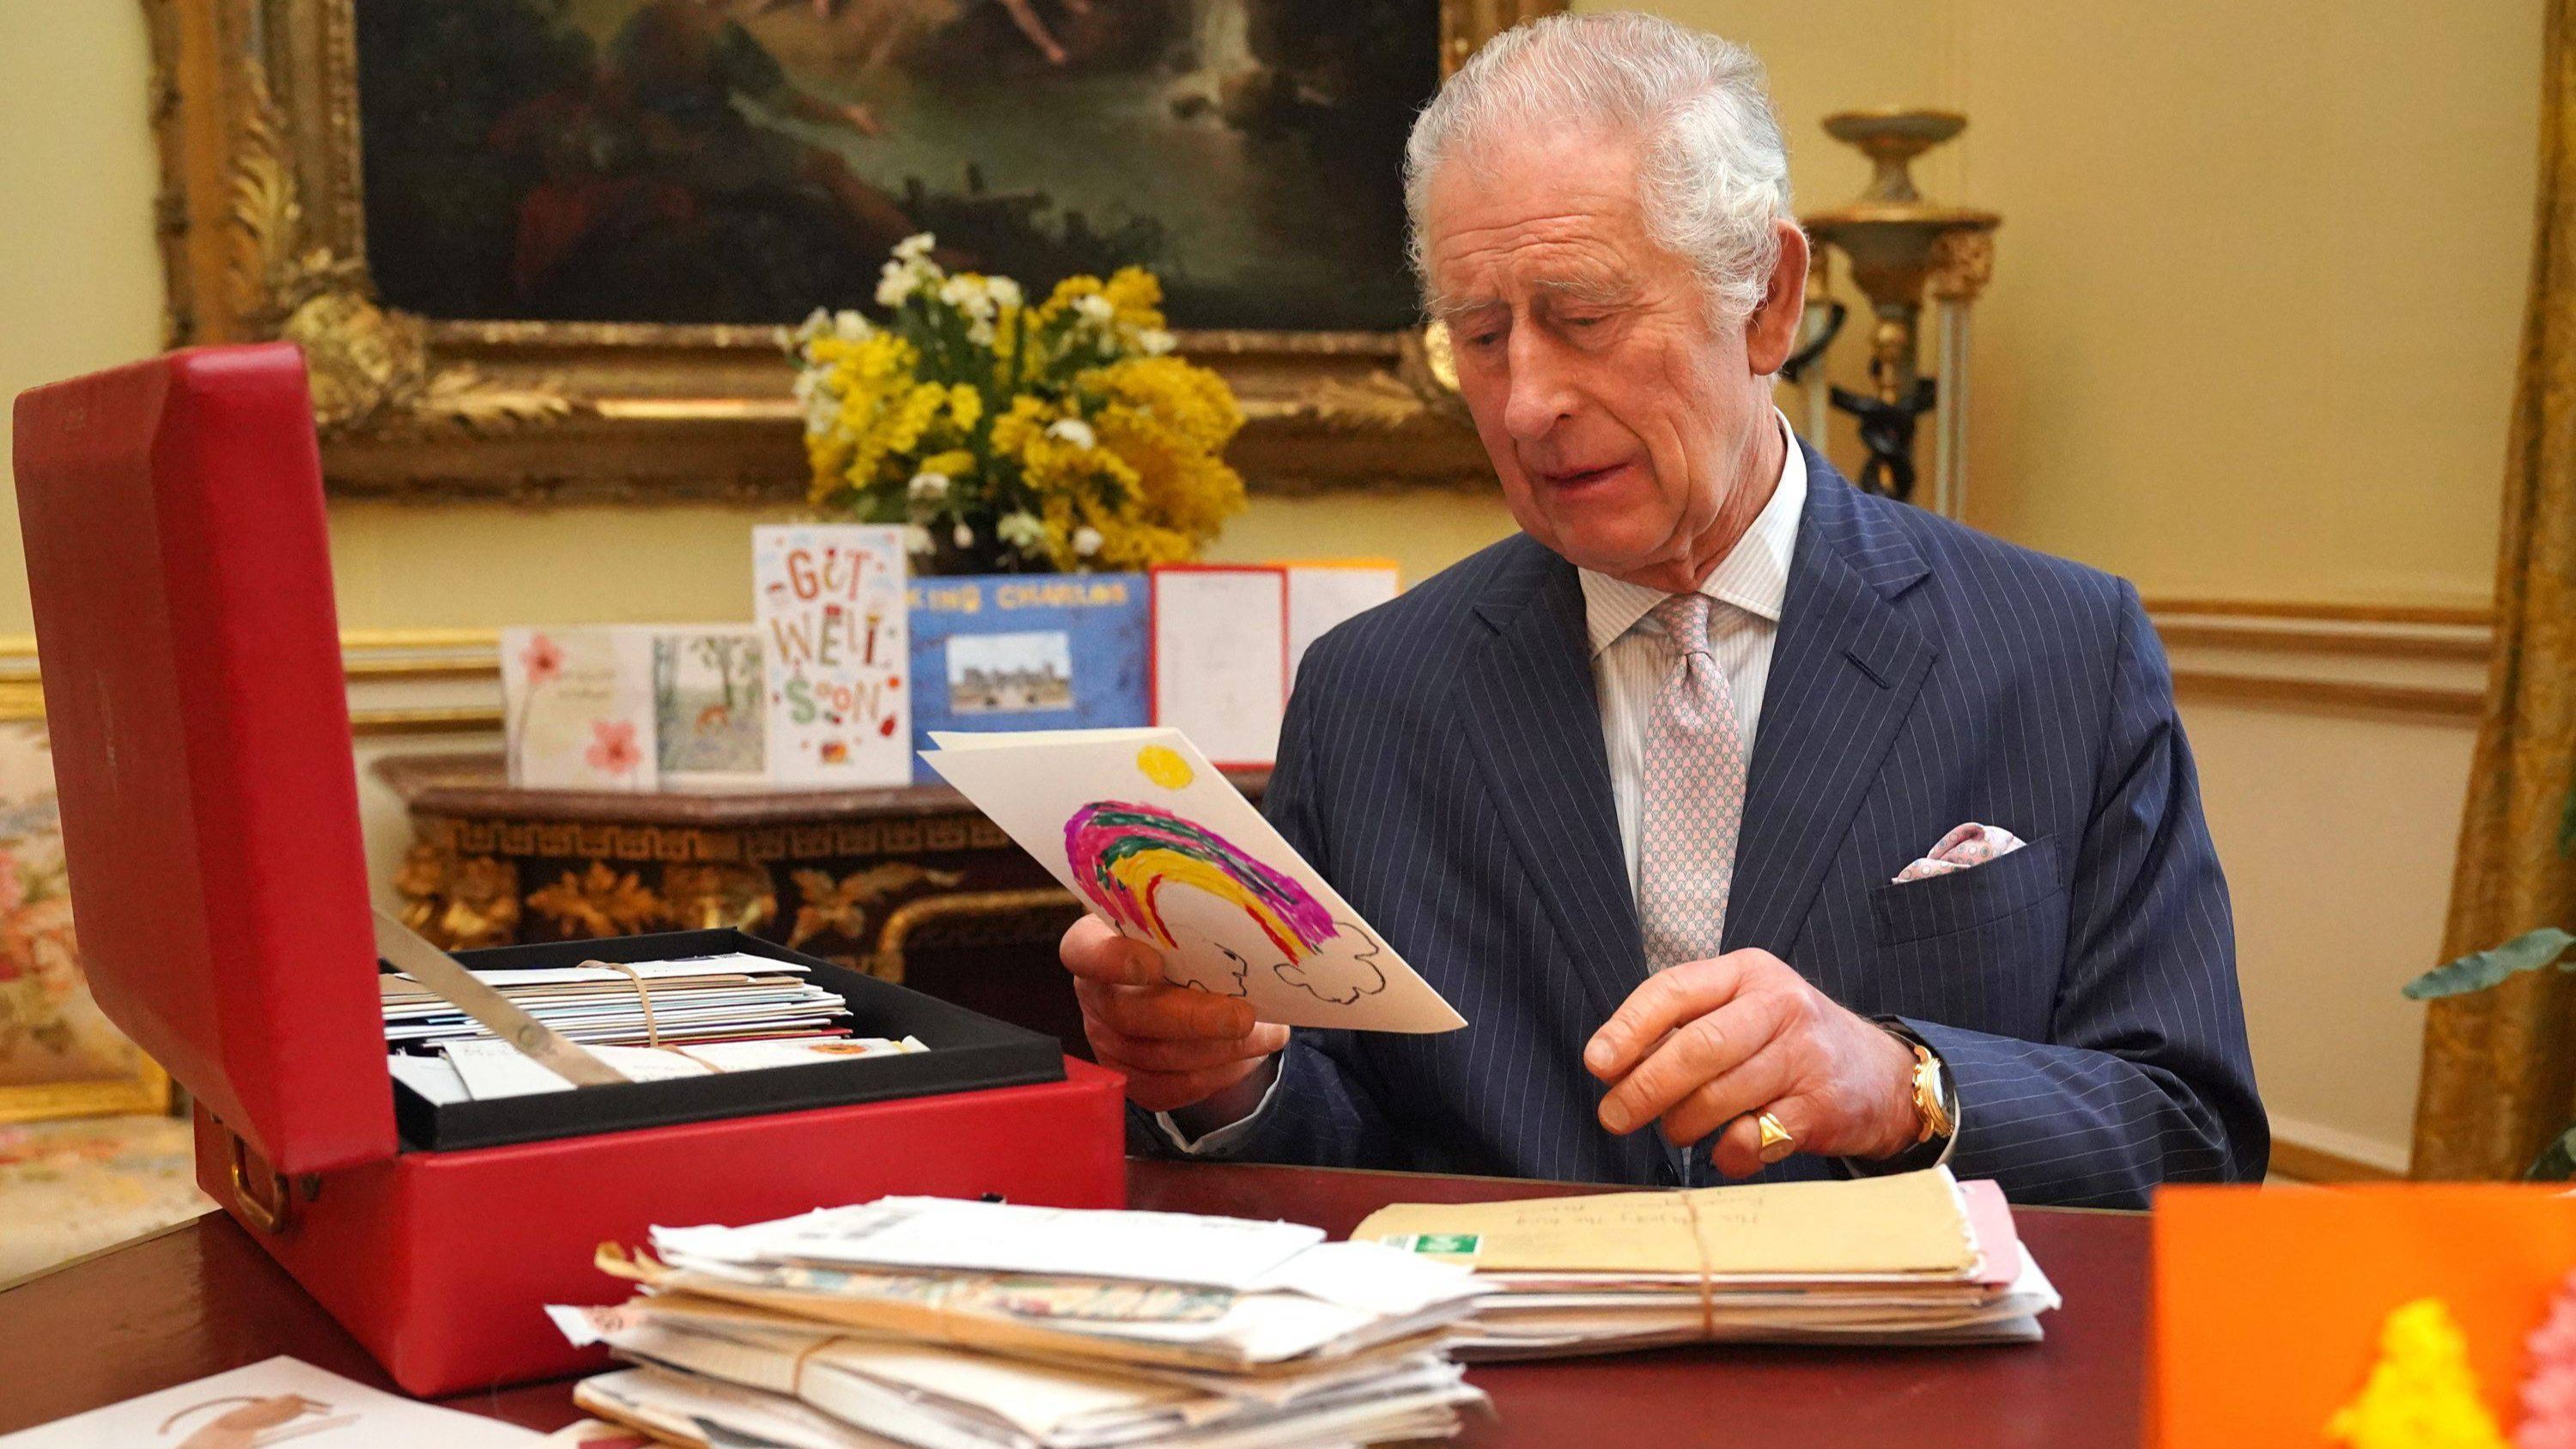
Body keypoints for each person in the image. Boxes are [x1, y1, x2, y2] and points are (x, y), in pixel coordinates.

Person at [1058, 12, 2267, 1207]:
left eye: (1585, 318)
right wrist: (1222, 1079)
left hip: (1901, 1388)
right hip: (1508, 1384)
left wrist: (1907, 1086)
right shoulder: (1373, 692)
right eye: (1480, 338)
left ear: (1769, 302)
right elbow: (1342, 1146)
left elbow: (2194, 1138)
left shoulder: (2060, 650)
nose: (1528, 402)